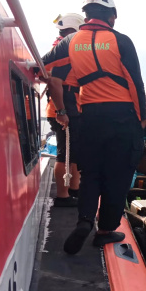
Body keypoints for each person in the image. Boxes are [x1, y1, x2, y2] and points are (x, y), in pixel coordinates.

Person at [44, 0, 146, 254]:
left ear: (87, 15)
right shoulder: (121, 40)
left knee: (90, 173)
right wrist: (142, 119)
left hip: (89, 115)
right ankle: (104, 231)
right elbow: (135, 83)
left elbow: (43, 66)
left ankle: (85, 220)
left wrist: (61, 105)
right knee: (118, 175)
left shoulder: (70, 41)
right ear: (112, 16)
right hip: (122, 115)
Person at [44, 13, 85, 206]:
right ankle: (62, 196)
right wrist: (61, 112)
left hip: (71, 107)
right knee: (64, 153)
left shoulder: (63, 50)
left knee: (74, 151)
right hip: (64, 109)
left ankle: (74, 189)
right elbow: (54, 83)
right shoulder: (64, 53)